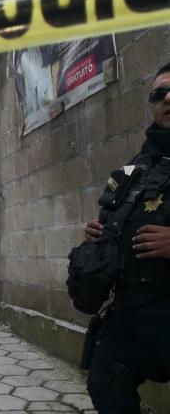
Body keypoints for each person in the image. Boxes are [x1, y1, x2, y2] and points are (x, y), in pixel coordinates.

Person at [83, 62, 170, 413]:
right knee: (106, 384)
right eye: (160, 93)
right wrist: (102, 233)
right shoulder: (138, 165)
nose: (168, 99)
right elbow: (115, 215)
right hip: (135, 308)